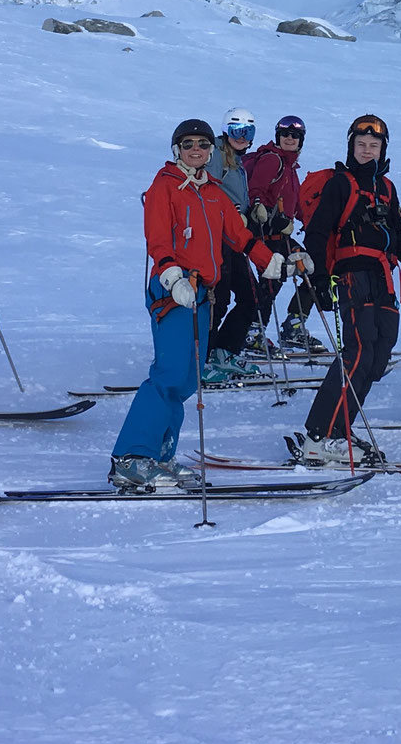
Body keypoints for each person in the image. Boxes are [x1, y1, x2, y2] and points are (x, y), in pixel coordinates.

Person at [109, 118, 303, 490]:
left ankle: (159, 457)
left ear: (210, 151)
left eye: (201, 144)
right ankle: (132, 457)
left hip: (202, 295)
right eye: (187, 145)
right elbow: (158, 238)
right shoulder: (165, 186)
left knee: (184, 381)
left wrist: (272, 261)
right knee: (168, 374)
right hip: (174, 291)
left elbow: (241, 236)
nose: (195, 150)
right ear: (176, 150)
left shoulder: (213, 192)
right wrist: (171, 275)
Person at [291, 114, 401, 466]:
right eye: (361, 145)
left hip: (383, 278)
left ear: (382, 150)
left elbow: (400, 240)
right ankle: (320, 435)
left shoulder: (387, 189)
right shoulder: (341, 184)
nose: (367, 151)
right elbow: (317, 232)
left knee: (378, 356)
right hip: (351, 276)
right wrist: (317, 276)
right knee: (358, 352)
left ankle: (340, 428)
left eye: (373, 146)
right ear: (351, 147)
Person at [239, 114, 310, 356]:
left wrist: (314, 224)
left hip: (280, 235)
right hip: (265, 234)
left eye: (295, 136)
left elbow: (297, 205)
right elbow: (255, 190)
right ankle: (252, 332)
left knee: (309, 266)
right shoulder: (272, 160)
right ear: (278, 136)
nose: (290, 138)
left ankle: (292, 325)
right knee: (271, 281)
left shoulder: (290, 167)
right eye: (286, 135)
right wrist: (263, 210)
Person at [203, 107, 265, 381]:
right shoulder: (216, 153)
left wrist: (250, 211)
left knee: (250, 297)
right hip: (218, 238)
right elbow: (208, 188)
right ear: (226, 131)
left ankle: (223, 351)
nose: (241, 137)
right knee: (219, 298)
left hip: (234, 237)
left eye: (247, 132)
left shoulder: (238, 162)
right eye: (236, 131)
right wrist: (232, 210)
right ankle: (201, 359)